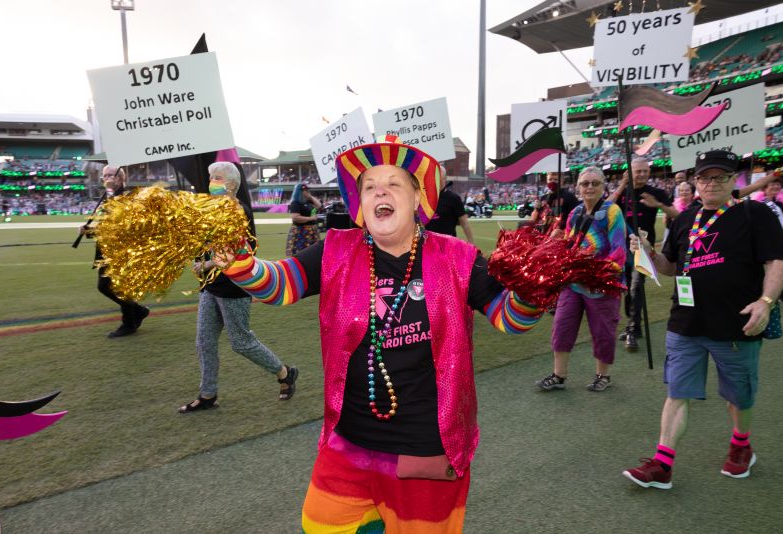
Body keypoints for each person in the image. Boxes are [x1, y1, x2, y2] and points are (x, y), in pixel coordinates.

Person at [216, 135, 555, 532]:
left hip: (425, 446)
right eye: (369, 186)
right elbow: (281, 283)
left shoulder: (457, 258)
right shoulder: (337, 250)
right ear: (361, 204)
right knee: (321, 524)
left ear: (417, 198)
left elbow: (510, 318)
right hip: (349, 441)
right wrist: (241, 265)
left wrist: (534, 290)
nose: (380, 191)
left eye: (393, 183)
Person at [622, 150, 783, 490]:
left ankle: (741, 444)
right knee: (677, 392)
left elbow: (776, 263)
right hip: (686, 323)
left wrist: (766, 301)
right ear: (695, 182)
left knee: (738, 396)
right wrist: (648, 252)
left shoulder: (754, 214)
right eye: (704, 178)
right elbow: (670, 267)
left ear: (733, 181)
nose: (711, 184)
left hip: (737, 324)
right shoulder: (685, 220)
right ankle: (662, 464)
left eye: (720, 177)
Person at [179, 162, 298, 413]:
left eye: (217, 177)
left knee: (241, 342)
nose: (211, 181)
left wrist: (206, 264)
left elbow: (236, 254)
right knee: (204, 342)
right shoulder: (215, 210)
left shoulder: (238, 212)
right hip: (211, 286)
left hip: (235, 286)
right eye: (211, 176)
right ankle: (208, 395)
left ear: (231, 184)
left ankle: (285, 373)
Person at [536, 167, 627, 392]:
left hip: (601, 285)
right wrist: (558, 240)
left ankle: (603, 375)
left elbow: (619, 251)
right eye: (585, 183)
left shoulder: (612, 212)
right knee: (562, 327)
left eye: (595, 183)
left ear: (604, 187)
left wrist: (596, 271)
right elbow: (569, 246)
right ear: (578, 187)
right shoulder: (575, 213)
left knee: (603, 331)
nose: (589, 187)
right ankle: (559, 376)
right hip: (573, 283)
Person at [608, 157, 678, 351]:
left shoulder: (656, 193)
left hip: (643, 248)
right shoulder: (623, 191)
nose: (641, 175)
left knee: (636, 287)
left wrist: (657, 205)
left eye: (645, 171)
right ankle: (635, 327)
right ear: (629, 172)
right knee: (627, 288)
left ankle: (632, 330)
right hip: (621, 249)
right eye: (637, 171)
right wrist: (622, 184)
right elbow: (605, 208)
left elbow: (676, 215)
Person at [80, 165, 149, 338]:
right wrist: (89, 231)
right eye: (105, 175)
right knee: (108, 286)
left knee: (113, 287)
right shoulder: (108, 198)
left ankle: (130, 322)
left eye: (111, 175)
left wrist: (90, 232)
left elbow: (119, 228)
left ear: (120, 179)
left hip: (120, 251)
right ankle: (137, 311)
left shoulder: (126, 199)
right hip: (106, 250)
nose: (108, 178)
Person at [425, 173, 475, 243]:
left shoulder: (454, 198)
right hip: (428, 243)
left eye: (439, 178)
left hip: (448, 244)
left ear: (445, 179)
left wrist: (471, 241)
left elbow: (464, 222)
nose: (436, 180)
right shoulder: (425, 197)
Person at [286, 182, 321, 256]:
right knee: (302, 252)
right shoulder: (295, 203)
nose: (308, 192)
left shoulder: (308, 201)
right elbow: (295, 217)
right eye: (306, 190)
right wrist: (310, 218)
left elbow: (319, 205)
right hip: (301, 231)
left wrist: (310, 197)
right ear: (300, 191)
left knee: (313, 253)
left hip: (311, 231)